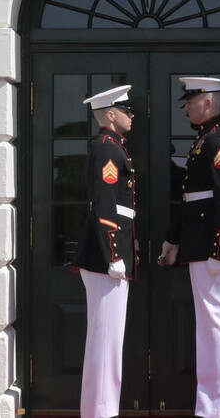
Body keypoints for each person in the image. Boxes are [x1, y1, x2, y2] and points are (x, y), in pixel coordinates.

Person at [160, 76, 220, 418]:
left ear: (207, 101)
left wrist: (219, 249)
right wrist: (176, 238)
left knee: (213, 329)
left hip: (211, 247)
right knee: (209, 328)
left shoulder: (218, 139)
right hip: (200, 245)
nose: (185, 106)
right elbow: (190, 199)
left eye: (190, 100)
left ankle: (214, 410)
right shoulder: (205, 139)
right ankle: (213, 407)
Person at [72, 84, 137, 418]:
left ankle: (101, 410)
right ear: (110, 115)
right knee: (105, 341)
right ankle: (101, 412)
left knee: (108, 340)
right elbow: (105, 205)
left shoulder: (113, 147)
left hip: (109, 253)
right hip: (104, 257)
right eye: (126, 110)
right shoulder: (108, 149)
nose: (132, 115)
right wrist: (114, 254)